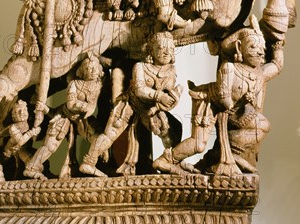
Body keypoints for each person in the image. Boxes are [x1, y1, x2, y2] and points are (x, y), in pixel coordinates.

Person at [153, 16, 284, 174]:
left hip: (235, 111)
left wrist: (278, 45)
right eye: (253, 47)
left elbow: (277, 66)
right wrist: (243, 101)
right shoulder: (229, 68)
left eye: (262, 49)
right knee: (198, 144)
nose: (260, 52)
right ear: (239, 47)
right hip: (209, 104)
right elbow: (224, 98)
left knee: (263, 126)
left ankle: (229, 154)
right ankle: (166, 160)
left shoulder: (259, 73)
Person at [79, 31, 182, 177]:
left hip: (149, 108)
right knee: (110, 135)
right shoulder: (140, 66)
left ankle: (170, 160)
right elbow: (139, 89)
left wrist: (173, 99)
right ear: (151, 50)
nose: (166, 52)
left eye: (170, 49)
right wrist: (160, 96)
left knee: (172, 130)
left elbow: (168, 94)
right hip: (129, 104)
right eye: (161, 48)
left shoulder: (171, 70)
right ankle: (89, 162)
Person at [24, 52, 105, 179]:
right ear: (81, 72)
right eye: (88, 68)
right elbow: (71, 104)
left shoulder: (99, 84)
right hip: (64, 116)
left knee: (100, 139)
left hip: (84, 119)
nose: (92, 71)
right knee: (50, 146)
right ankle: (32, 168)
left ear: (100, 70)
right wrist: (85, 106)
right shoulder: (74, 84)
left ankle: (90, 164)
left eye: (95, 67)